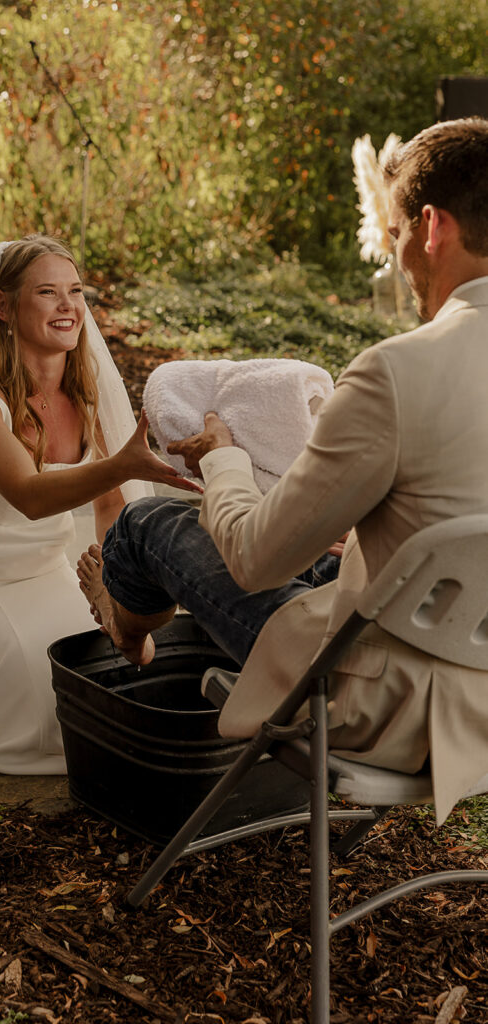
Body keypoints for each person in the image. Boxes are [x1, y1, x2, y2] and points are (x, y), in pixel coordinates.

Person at [77, 117, 488, 827]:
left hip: (391, 707)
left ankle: (125, 626)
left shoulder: (399, 371)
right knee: (323, 559)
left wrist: (223, 456)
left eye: (395, 238)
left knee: (148, 522)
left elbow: (256, 562)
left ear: (430, 227)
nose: (398, 262)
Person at [0, 234, 199, 775]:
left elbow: (108, 509)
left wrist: (118, 583)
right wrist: (122, 463)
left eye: (75, 291)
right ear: (3, 306)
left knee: (123, 677)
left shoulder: (85, 392)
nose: (68, 306)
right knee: (44, 699)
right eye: (47, 292)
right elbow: (29, 496)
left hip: (50, 573)